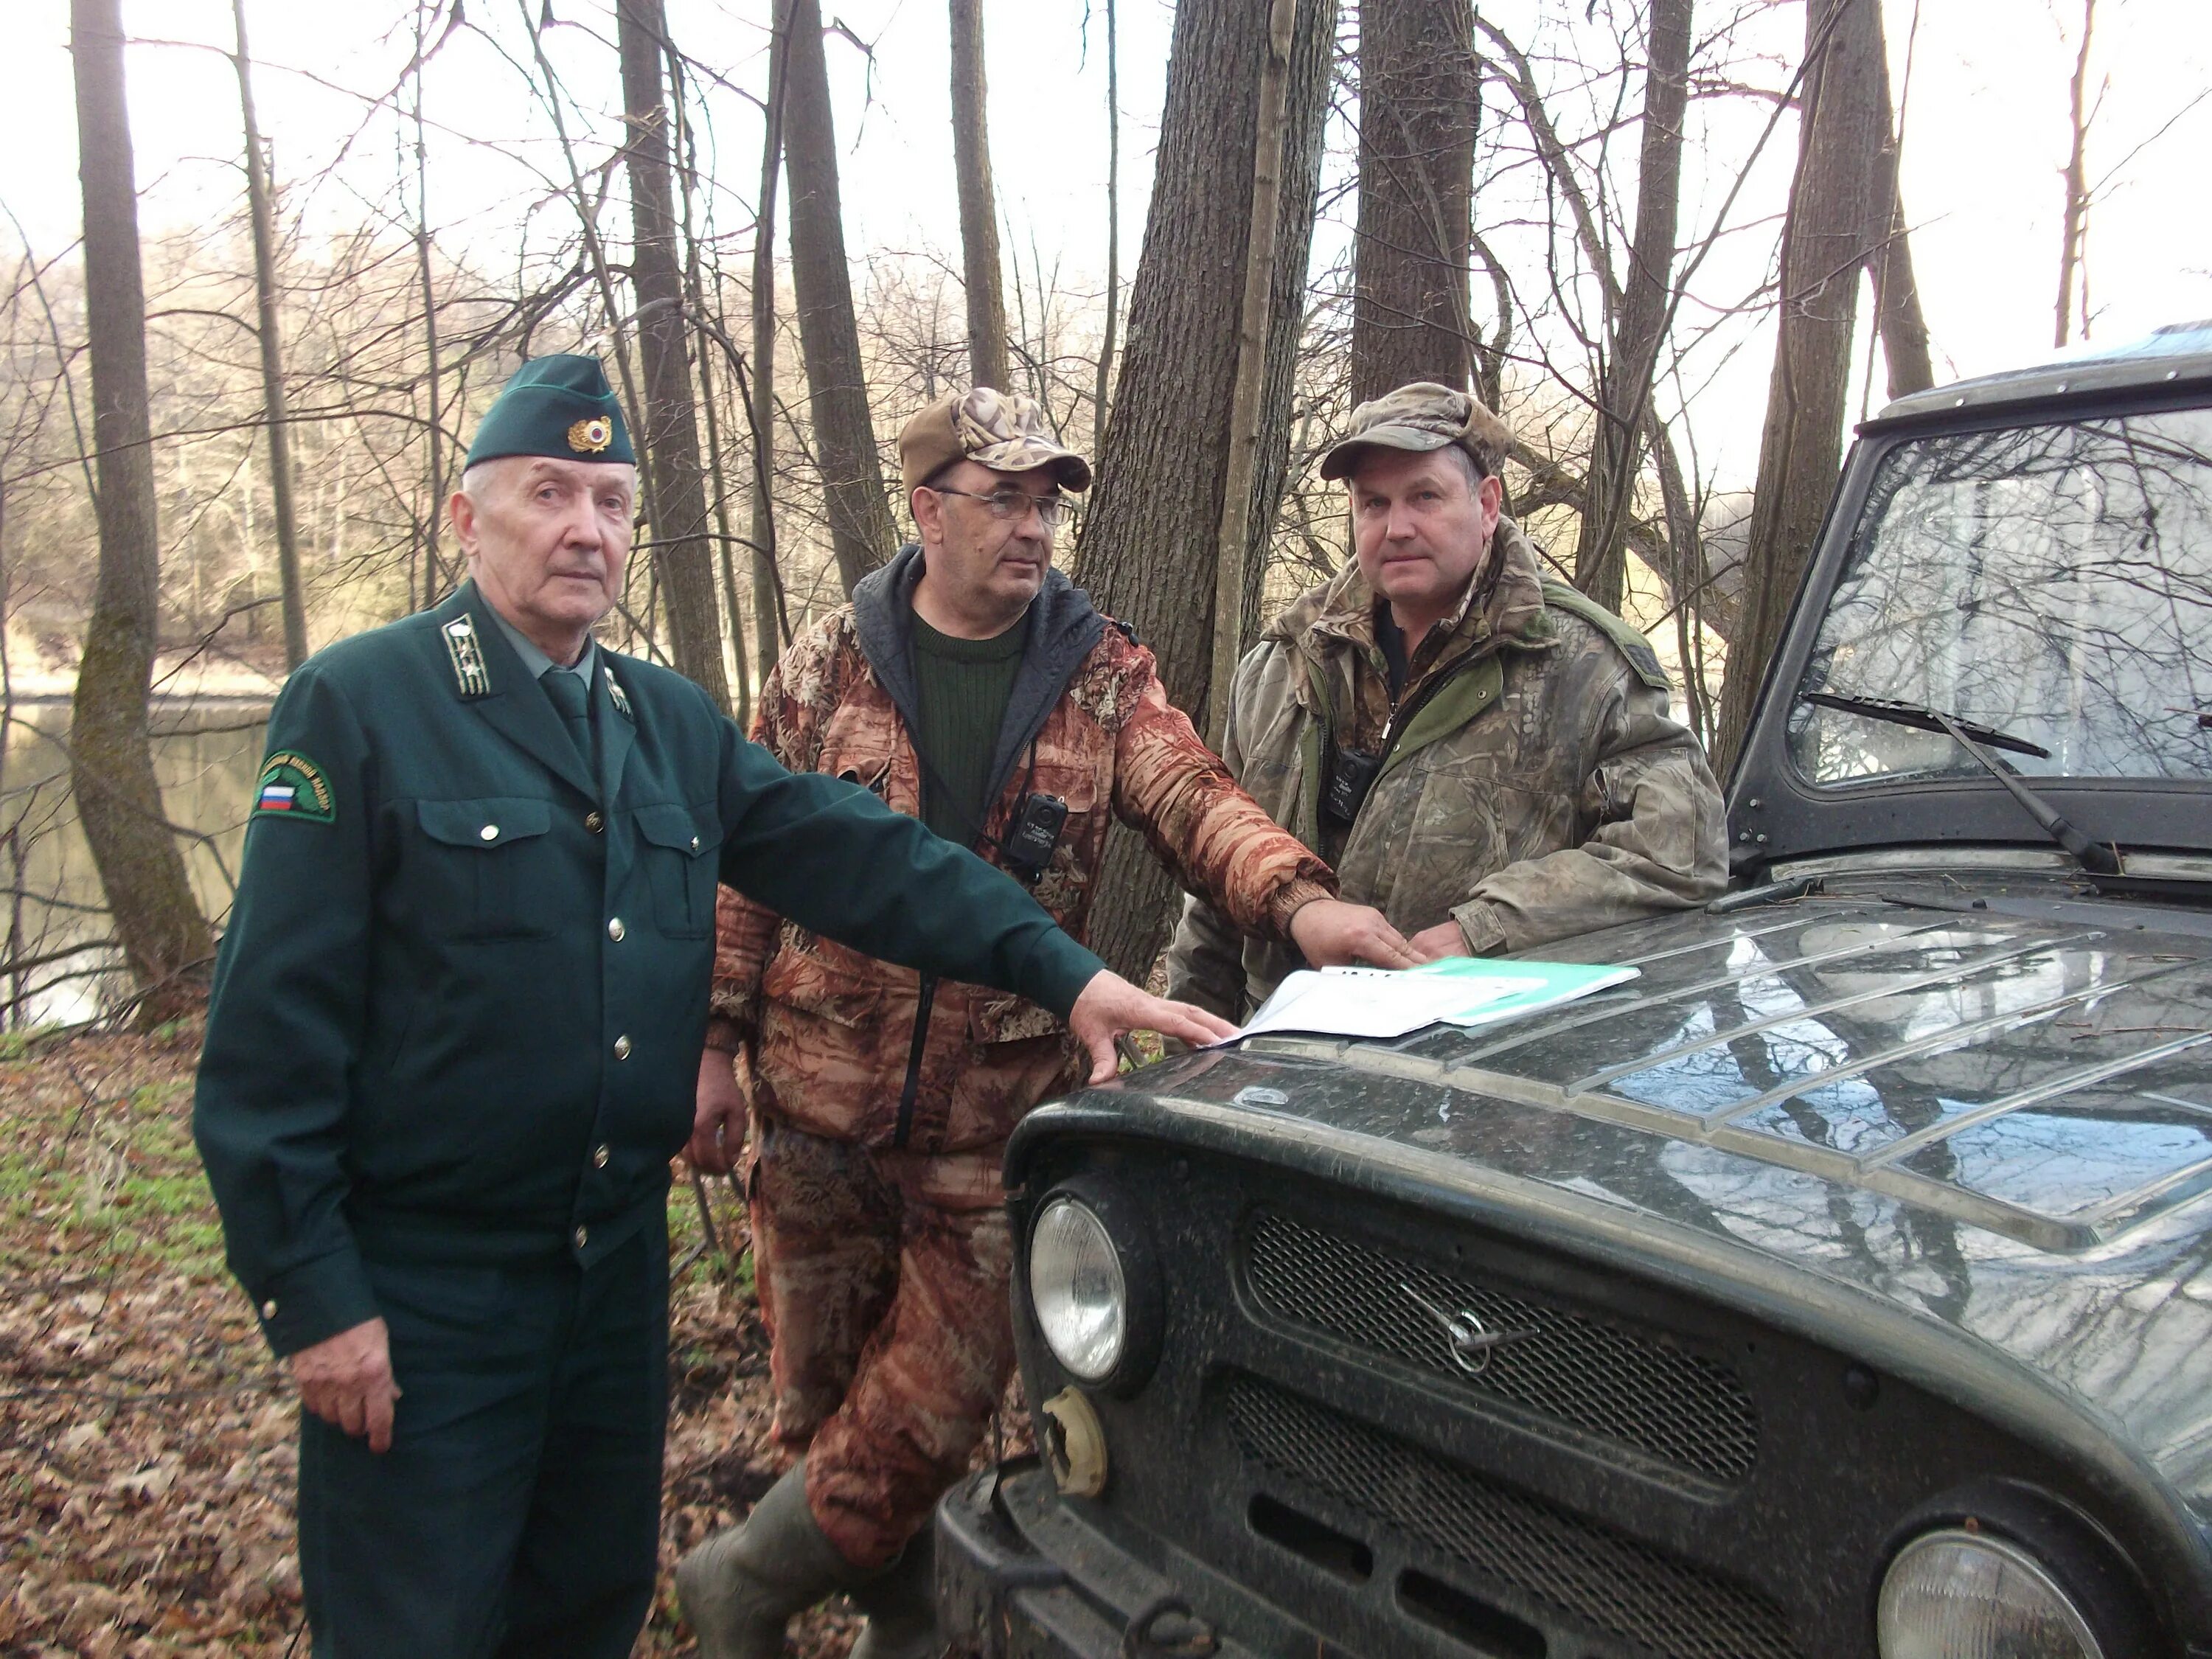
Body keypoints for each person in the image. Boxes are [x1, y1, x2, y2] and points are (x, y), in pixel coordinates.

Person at [191, 355, 1231, 1659]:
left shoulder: (658, 721)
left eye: (614, 501)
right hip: (430, 1291)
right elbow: (266, 1047)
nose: (587, 529)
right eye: (549, 493)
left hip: (610, 1283)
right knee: (422, 1622)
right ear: (470, 517)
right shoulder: (361, 707)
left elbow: (867, 856)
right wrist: (312, 1297)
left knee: (585, 1607)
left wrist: (1065, 969)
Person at [678, 386, 1415, 1658]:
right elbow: (745, 869)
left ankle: (740, 1581)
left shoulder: (1097, 671)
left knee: (933, 1413)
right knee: (831, 1422)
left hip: (990, 1130)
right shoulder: (824, 665)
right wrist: (709, 1043)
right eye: (1002, 500)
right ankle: (902, 1637)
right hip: (814, 1114)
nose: (1032, 530)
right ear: (927, 509)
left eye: (1045, 504)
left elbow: (1194, 795)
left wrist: (1298, 905)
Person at [1166, 380, 1728, 1020]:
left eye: (1425, 497)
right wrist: (1195, 1042)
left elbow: (1679, 856)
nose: (1397, 527)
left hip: (1484, 1065)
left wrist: (1485, 928)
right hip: (1279, 1053)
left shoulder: (1587, 668)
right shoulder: (1281, 665)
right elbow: (1219, 878)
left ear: (1487, 505)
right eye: (1373, 503)